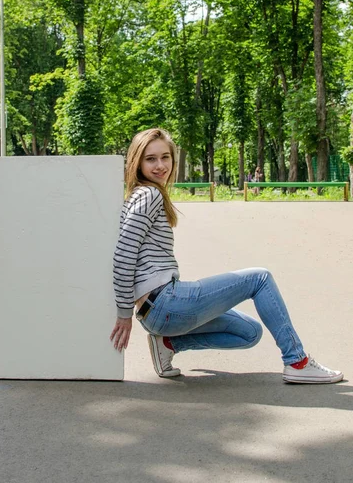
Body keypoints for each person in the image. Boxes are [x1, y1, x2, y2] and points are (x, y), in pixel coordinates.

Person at [110, 128, 343, 384]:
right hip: (164, 302)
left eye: (165, 157)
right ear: (137, 162)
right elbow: (123, 253)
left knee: (249, 333)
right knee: (260, 279)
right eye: (150, 159)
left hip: (157, 314)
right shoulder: (149, 194)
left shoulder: (140, 195)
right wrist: (123, 314)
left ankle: (168, 344)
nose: (160, 165)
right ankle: (297, 362)